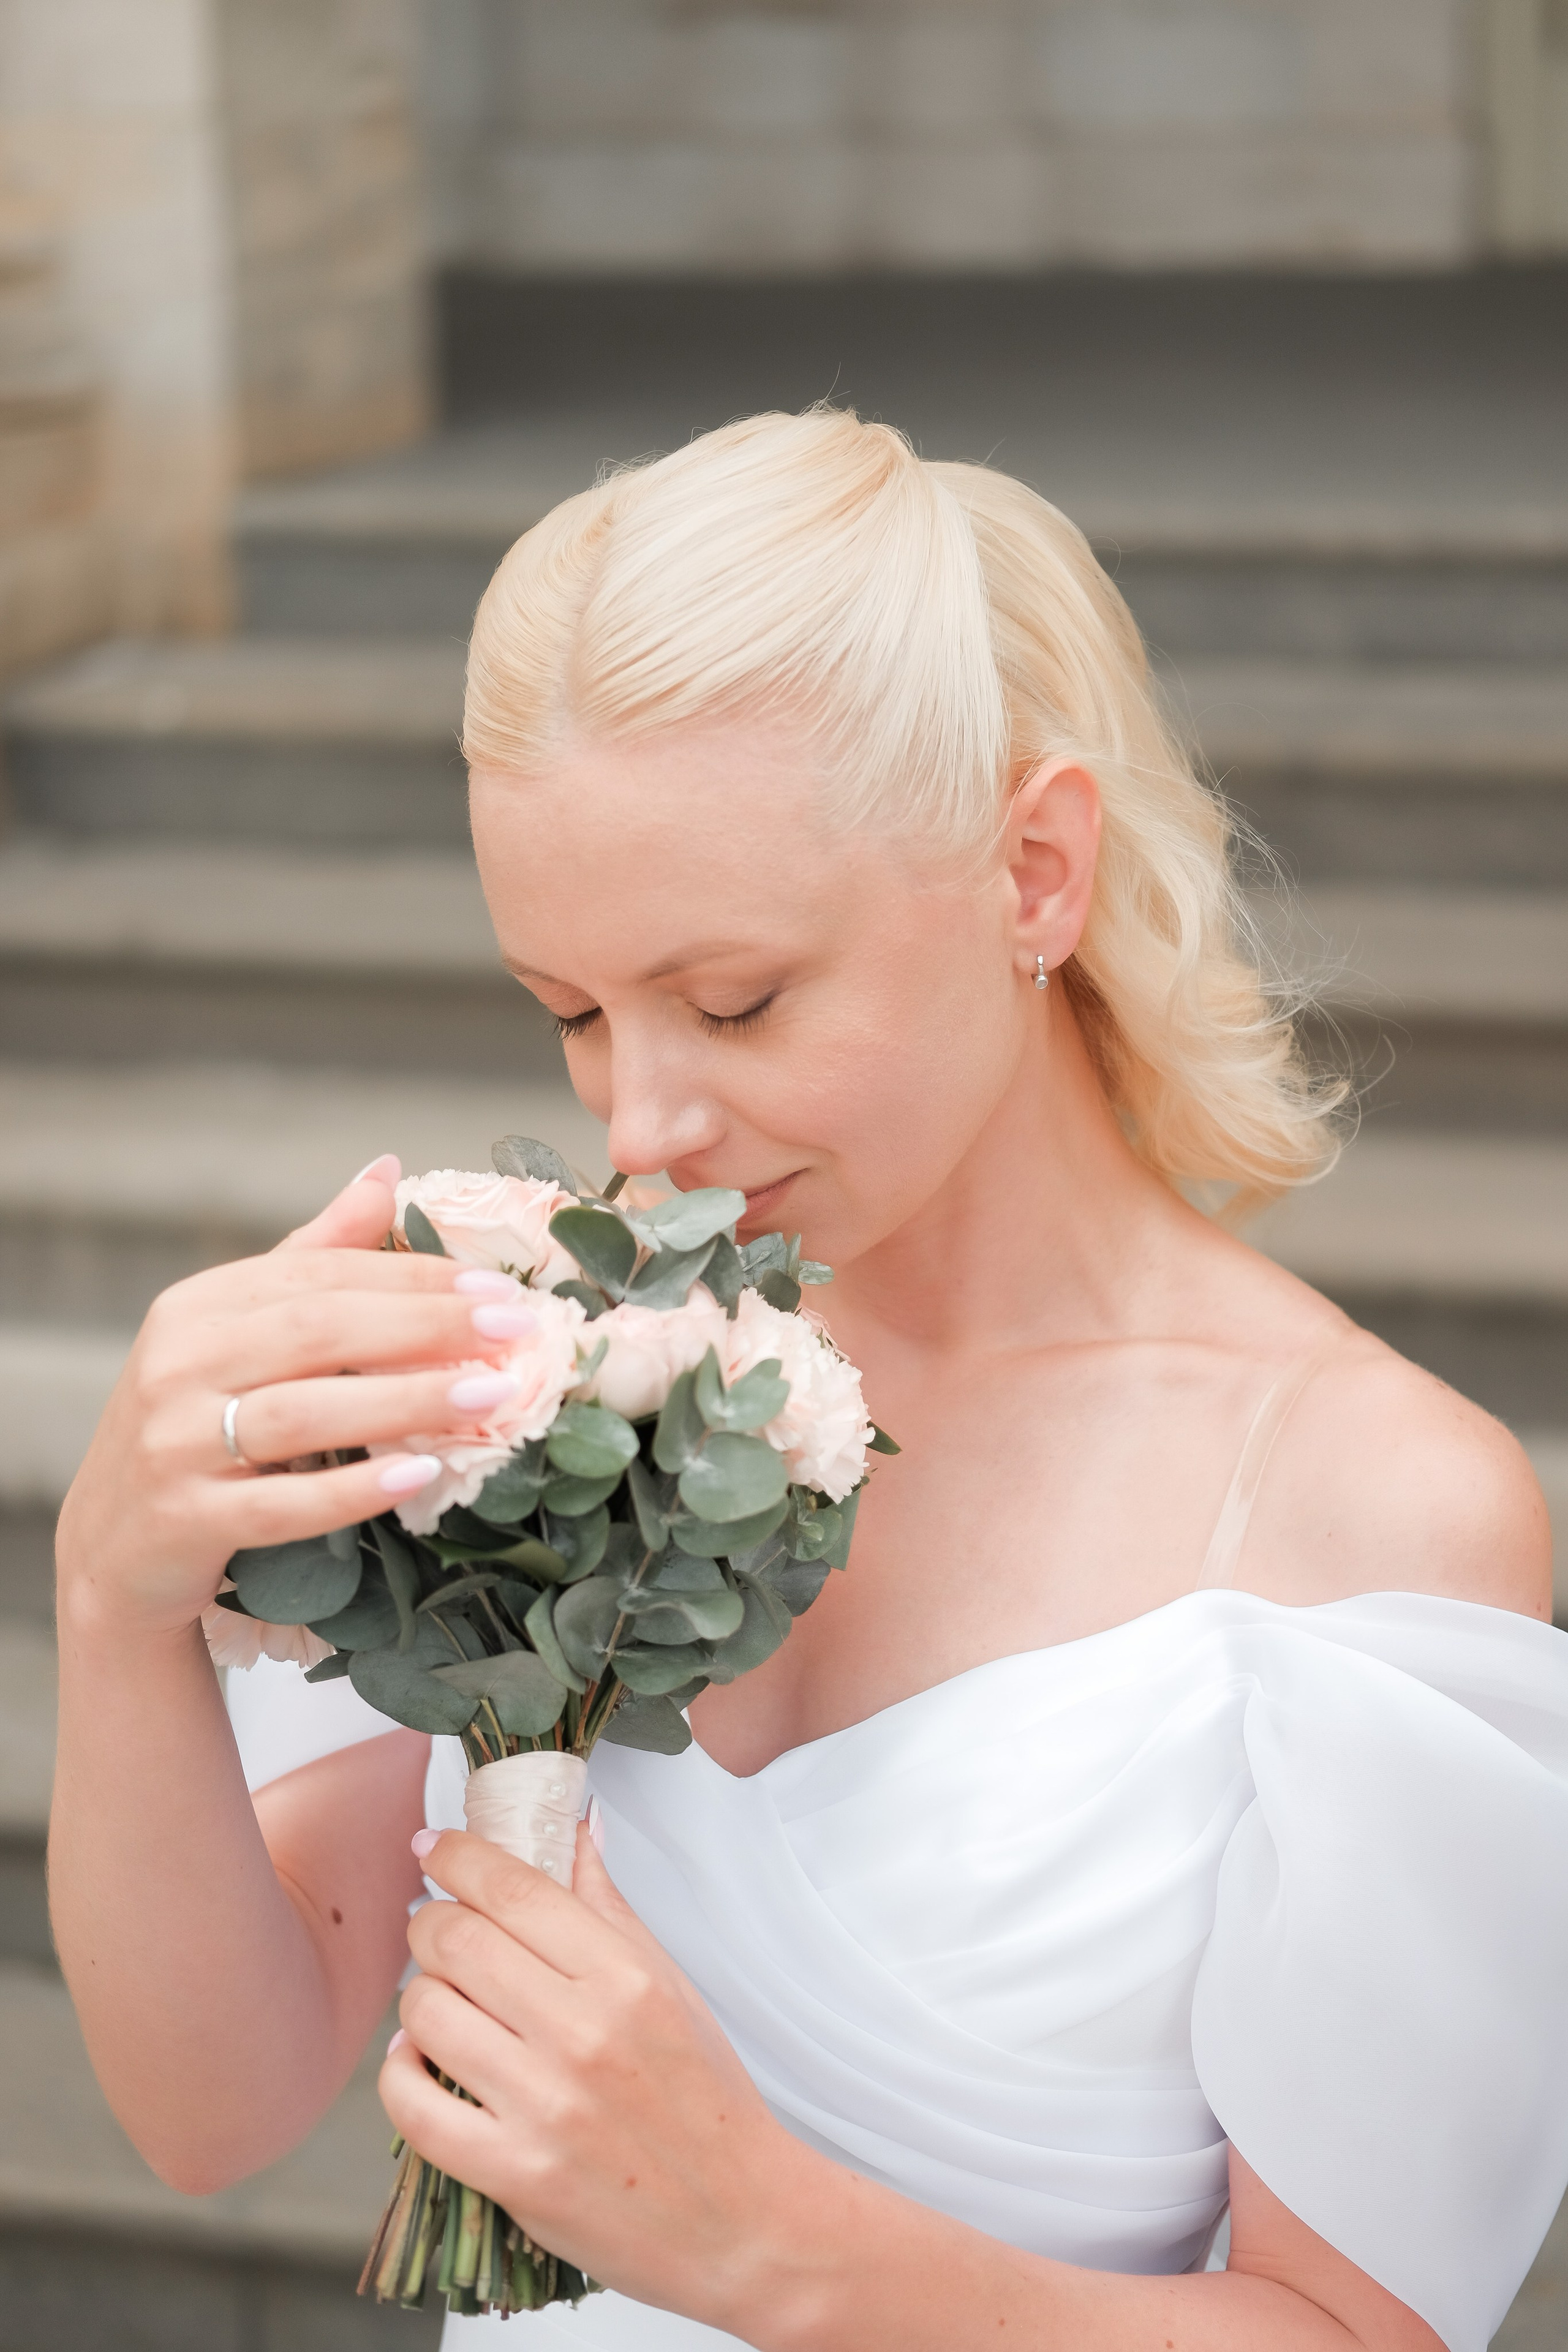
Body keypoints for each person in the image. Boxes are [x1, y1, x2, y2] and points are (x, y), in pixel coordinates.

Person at [49, 410, 1568, 2352]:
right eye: (574, 1013)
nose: (645, 1122)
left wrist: (767, 2242)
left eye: (739, 998)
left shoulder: (1374, 1501)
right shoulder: (554, 1364)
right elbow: (213, 2107)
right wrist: (117, 1594)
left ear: (1035, 870)